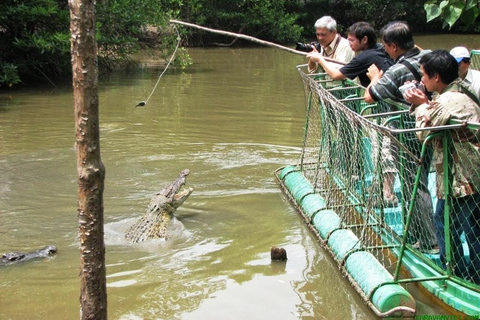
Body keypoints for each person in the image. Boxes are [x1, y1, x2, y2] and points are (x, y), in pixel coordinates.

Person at [404, 50, 480, 283]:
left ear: (436, 77)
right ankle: (462, 273)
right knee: (454, 223)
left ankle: (463, 277)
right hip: (463, 174)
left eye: (424, 75)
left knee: (464, 229)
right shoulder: (457, 92)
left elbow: (422, 132)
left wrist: (420, 105)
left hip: (463, 178)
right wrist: (426, 103)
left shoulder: (447, 100)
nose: (421, 80)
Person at [363, 21, 438, 252]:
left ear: (394, 46)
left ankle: (429, 241)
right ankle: (417, 235)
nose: (384, 50)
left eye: (386, 46)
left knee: (415, 185)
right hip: (430, 128)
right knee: (418, 182)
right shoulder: (429, 57)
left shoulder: (396, 70)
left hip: (406, 134)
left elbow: (370, 97)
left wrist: (375, 77)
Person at [307, 21, 393, 87]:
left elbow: (335, 75)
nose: (349, 44)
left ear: (364, 40)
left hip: (384, 102)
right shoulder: (380, 48)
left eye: (352, 40)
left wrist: (320, 59)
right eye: (348, 40)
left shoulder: (364, 57)